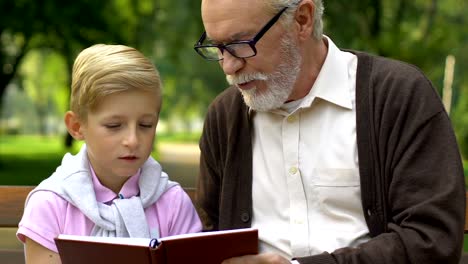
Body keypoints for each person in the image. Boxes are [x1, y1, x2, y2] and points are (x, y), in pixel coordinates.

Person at [193, 0, 465, 263]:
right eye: (217, 47)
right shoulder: (224, 117)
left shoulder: (398, 96)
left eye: (241, 44)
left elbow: (432, 238)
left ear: (302, 19)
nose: (228, 67)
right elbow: (210, 235)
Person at [17, 44, 202, 264]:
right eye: (114, 125)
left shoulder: (172, 203)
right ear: (77, 126)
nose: (133, 140)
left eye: (145, 124)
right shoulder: (50, 205)